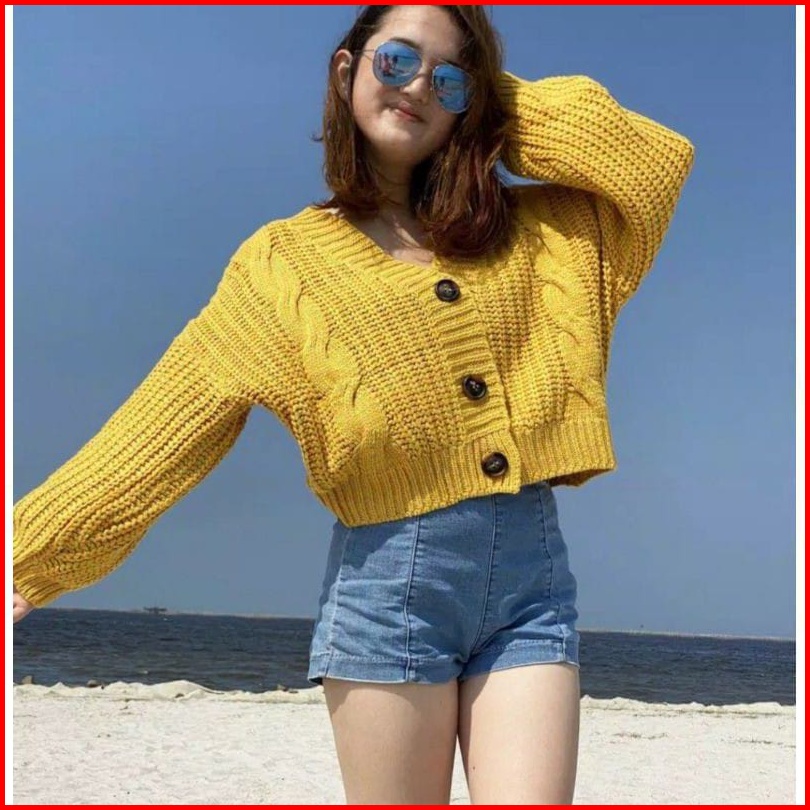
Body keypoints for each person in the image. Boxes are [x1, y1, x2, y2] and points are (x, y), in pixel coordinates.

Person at [12, 5, 695, 805]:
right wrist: (27, 554)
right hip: (391, 590)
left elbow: (654, 161)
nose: (419, 87)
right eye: (397, 60)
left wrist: (490, 100)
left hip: (532, 583)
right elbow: (168, 421)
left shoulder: (547, 232)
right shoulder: (282, 265)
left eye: (449, 77)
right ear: (346, 69)